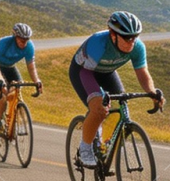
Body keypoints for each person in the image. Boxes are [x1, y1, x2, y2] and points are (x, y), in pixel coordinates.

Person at [70, 10, 163, 168]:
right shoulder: (98, 43)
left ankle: (103, 146)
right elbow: (86, 73)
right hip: (84, 71)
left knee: (122, 107)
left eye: (134, 37)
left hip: (107, 72)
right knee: (99, 109)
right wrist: (97, 101)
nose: (131, 41)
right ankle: (85, 149)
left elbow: (142, 73)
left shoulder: (137, 47)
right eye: (127, 37)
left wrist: (152, 92)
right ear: (113, 34)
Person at [0, 21, 41, 138]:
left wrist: (37, 81)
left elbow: (31, 67)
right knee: (5, 94)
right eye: (21, 40)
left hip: (11, 68)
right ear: (15, 37)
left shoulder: (29, 47)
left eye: (26, 40)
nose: (24, 43)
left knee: (17, 90)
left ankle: (17, 120)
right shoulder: (3, 43)